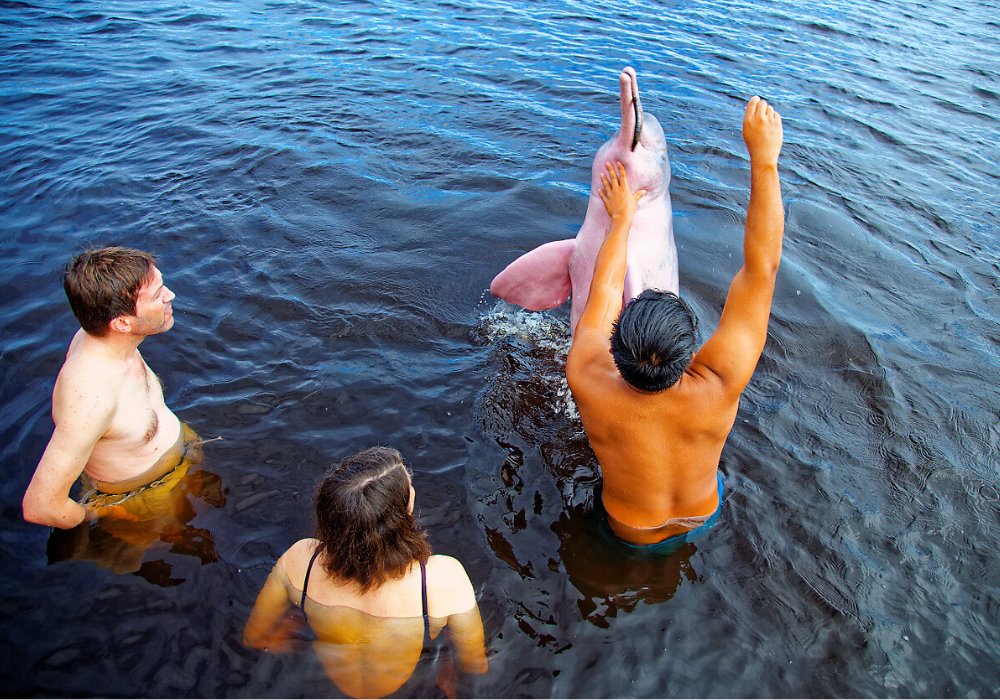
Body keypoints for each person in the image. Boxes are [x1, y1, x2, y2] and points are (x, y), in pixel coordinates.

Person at [566, 96, 784, 548]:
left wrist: (621, 220)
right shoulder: (718, 384)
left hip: (626, 530)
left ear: (615, 345)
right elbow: (762, 271)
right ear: (691, 352)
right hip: (702, 515)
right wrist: (764, 161)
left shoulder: (587, 376)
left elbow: (604, 293)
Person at [243, 446, 488, 699]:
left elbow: (255, 638)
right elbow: (475, 664)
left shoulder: (301, 561)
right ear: (403, 514)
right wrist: (446, 663)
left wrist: (296, 639)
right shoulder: (442, 580)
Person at [22, 246, 204, 533]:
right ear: (121, 323)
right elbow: (40, 506)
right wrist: (106, 514)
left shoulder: (106, 338)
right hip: (144, 498)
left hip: (177, 459)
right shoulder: (92, 400)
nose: (170, 295)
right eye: (157, 294)